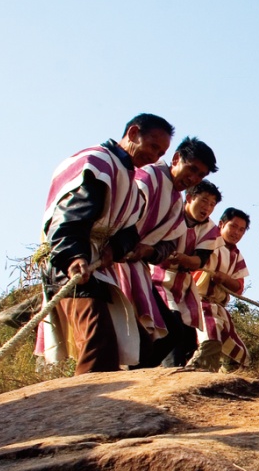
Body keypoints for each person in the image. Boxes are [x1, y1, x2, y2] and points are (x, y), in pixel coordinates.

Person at [35, 113, 173, 374]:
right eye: (153, 146)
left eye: (161, 152)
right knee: (98, 343)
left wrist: (114, 249)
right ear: (133, 134)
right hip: (71, 264)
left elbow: (130, 231)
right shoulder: (97, 163)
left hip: (99, 267)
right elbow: (69, 218)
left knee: (139, 345)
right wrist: (73, 257)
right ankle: (86, 400)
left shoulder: (128, 180)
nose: (155, 156)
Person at [119, 136, 216, 359]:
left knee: (171, 334)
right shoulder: (149, 177)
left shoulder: (175, 202)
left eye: (200, 175)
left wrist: (151, 251)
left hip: (138, 267)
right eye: (191, 169)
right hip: (121, 265)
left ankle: (139, 372)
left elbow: (168, 244)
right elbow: (123, 215)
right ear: (175, 159)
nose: (193, 178)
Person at [148, 180, 223, 368]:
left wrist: (183, 259)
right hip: (157, 277)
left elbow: (199, 260)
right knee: (170, 324)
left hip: (184, 284)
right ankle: (167, 370)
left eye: (212, 204)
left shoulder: (210, 229)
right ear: (189, 198)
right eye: (204, 201)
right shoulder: (170, 213)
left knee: (189, 336)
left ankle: (174, 368)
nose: (207, 208)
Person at [190, 207, 251, 372]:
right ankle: (197, 373)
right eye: (233, 226)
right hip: (198, 301)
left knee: (239, 354)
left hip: (218, 306)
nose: (236, 232)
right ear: (221, 224)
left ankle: (225, 379)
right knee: (211, 336)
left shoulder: (237, 256)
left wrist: (225, 279)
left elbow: (238, 287)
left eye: (241, 230)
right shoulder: (207, 243)